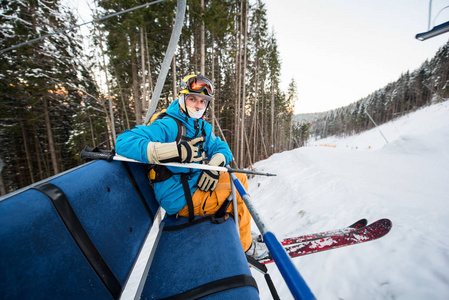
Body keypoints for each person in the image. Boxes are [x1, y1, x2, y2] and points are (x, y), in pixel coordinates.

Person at [116, 74, 268, 259]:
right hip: (178, 196)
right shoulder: (169, 125)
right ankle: (246, 248)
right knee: (238, 194)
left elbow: (222, 148)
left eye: (203, 101)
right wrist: (172, 150)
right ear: (182, 98)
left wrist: (214, 165)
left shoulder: (200, 126)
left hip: (192, 182)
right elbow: (124, 142)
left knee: (240, 179)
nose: (197, 105)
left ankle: (241, 233)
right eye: (192, 98)